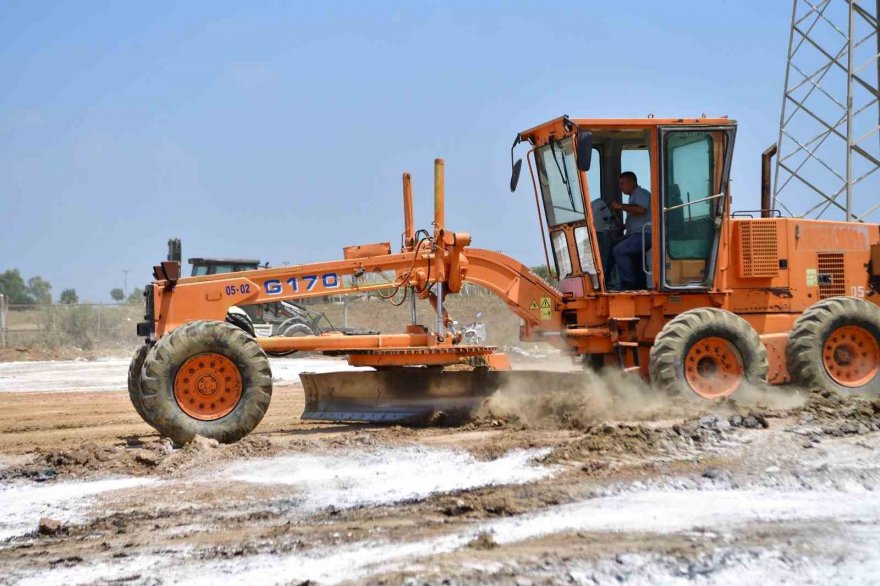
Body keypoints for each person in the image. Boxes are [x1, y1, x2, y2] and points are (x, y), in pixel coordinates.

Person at [608, 172, 651, 290]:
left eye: (622, 184)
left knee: (619, 250)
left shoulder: (642, 193)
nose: (620, 187)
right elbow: (634, 218)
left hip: (646, 233)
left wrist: (620, 206)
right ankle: (607, 280)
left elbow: (640, 210)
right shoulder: (633, 197)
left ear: (631, 183)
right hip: (634, 233)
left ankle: (628, 284)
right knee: (612, 245)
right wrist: (622, 227)